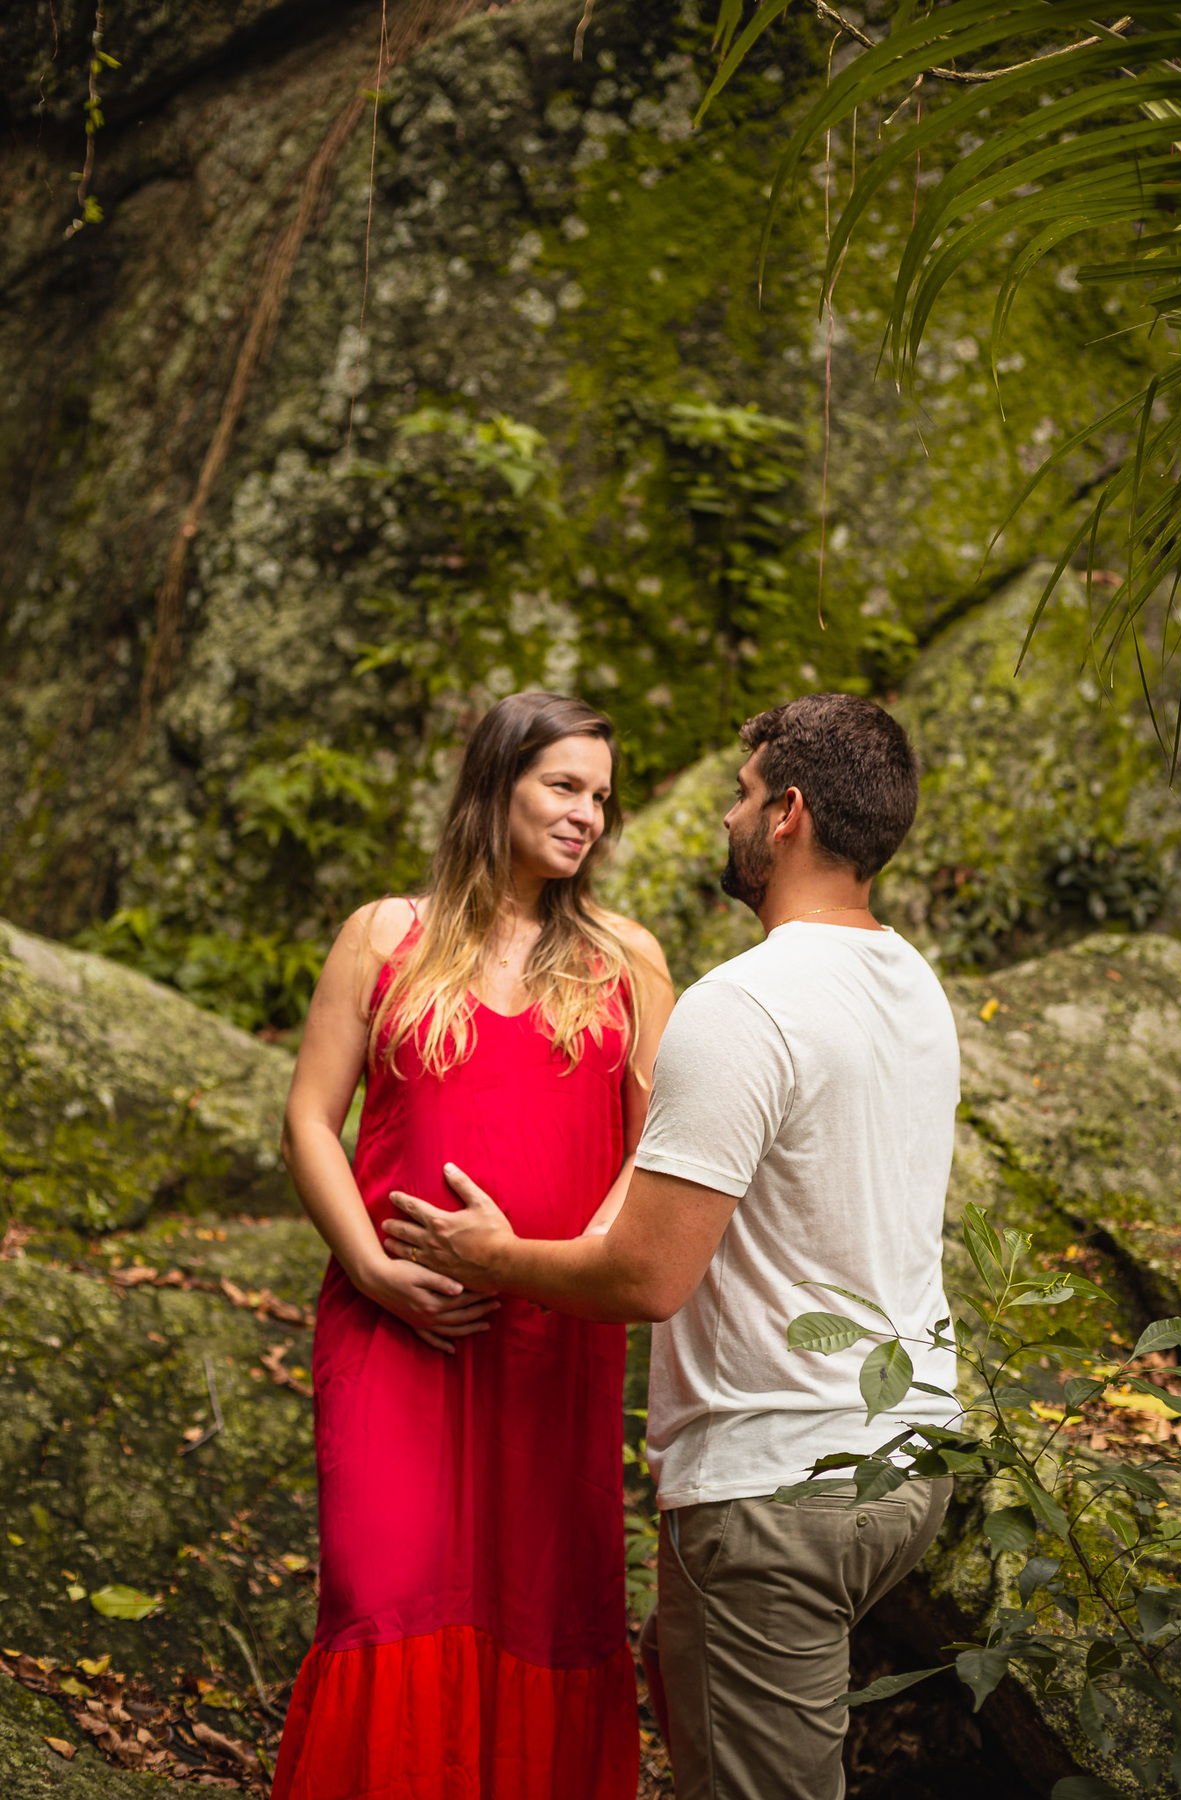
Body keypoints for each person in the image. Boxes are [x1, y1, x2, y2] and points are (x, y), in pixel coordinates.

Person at [385, 692, 961, 1800]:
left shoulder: (743, 1004)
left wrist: (490, 1255)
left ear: (787, 814)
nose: (726, 820)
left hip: (778, 1484)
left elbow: (647, 1274)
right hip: (906, 1459)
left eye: (741, 798)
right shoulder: (913, 987)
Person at [271, 691, 674, 1800]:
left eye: (601, 796)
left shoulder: (626, 960)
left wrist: (582, 1250)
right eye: (563, 786)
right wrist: (368, 1267)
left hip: (550, 1338)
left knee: (540, 1608)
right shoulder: (383, 936)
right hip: (390, 1332)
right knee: (380, 1589)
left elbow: (663, 1146)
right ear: (496, 783)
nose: (587, 814)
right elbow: (311, 1116)